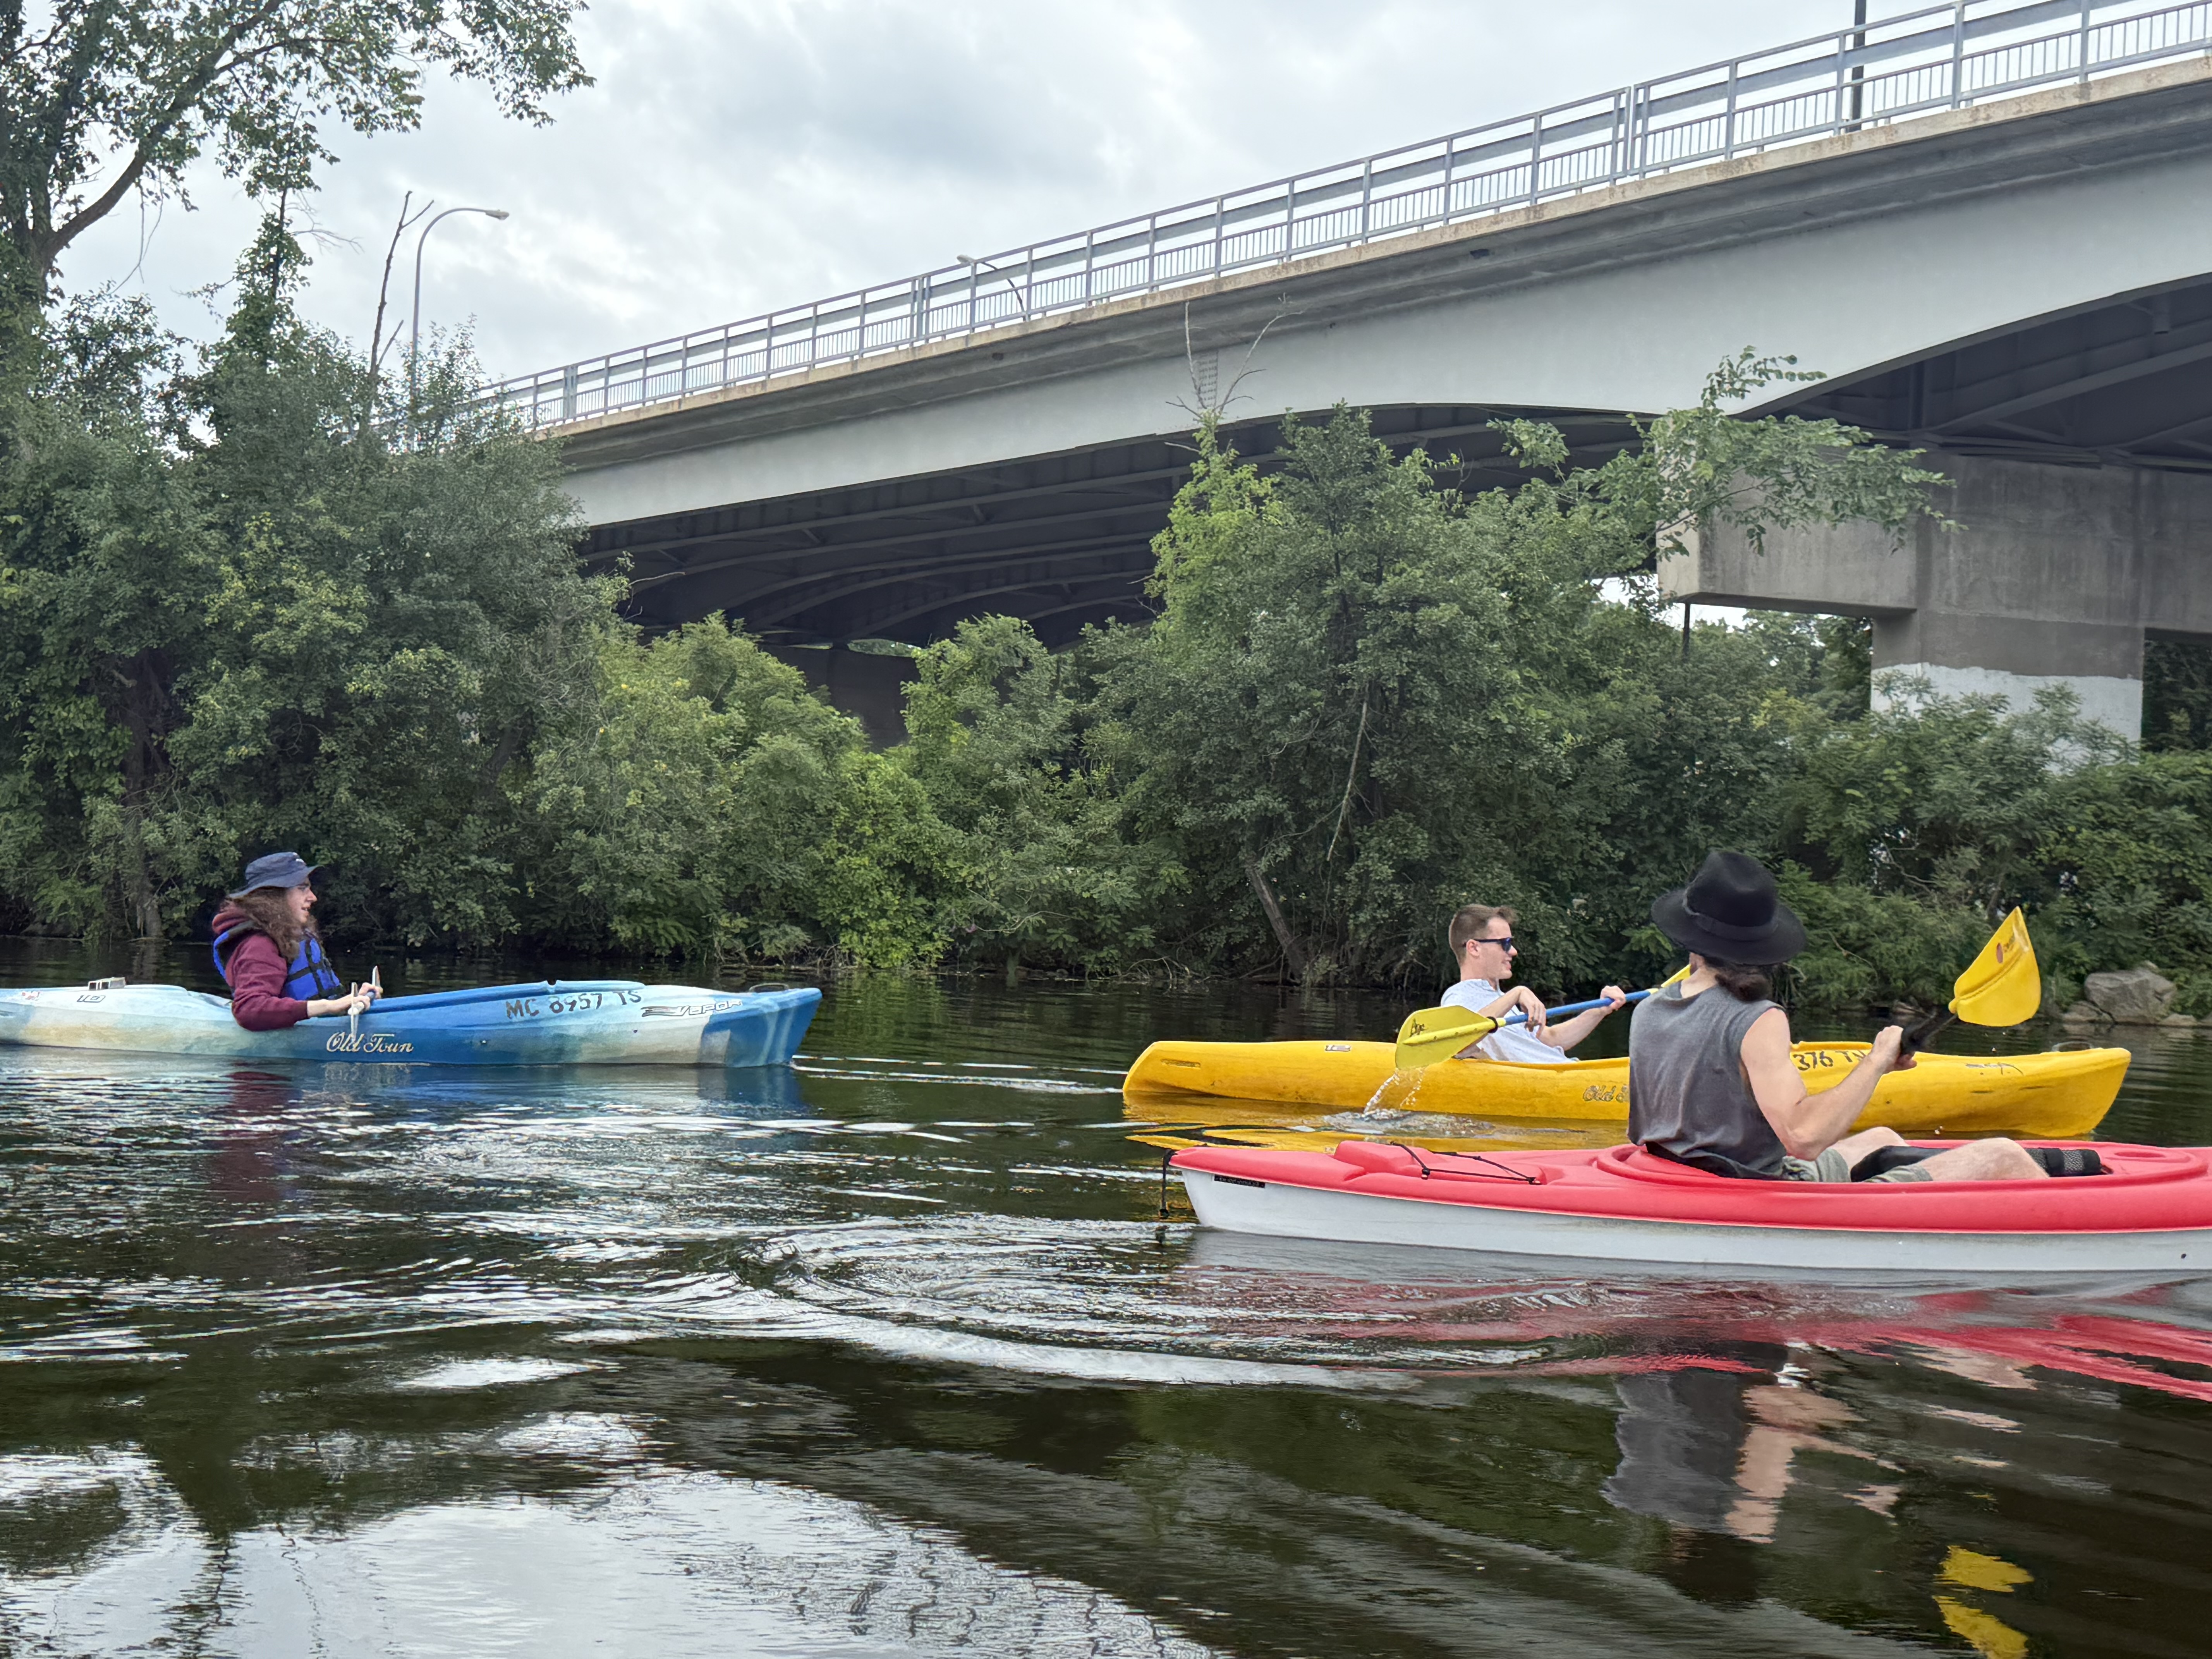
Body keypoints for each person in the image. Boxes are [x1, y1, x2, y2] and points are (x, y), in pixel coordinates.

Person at [1628, 850, 2046, 1184]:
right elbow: (1803, 1139)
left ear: (1690, 936)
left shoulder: (1648, 1010)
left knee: (1883, 1139)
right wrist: (1877, 1061)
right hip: (1758, 1193)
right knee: (2004, 1154)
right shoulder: (1757, 1018)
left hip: (1686, 1180)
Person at [1440, 903, 1629, 1063]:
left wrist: (1601, 1010)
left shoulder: (1497, 1001)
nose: (1513, 951)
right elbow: (1459, 1043)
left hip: (1569, 1074)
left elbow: (1551, 1038)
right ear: (1474, 948)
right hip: (1558, 1082)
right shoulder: (1461, 998)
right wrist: (1517, 993)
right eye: (1505, 943)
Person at [210, 852, 377, 1031]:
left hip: (318, 1026)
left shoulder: (287, 936)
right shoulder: (259, 944)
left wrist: (355, 999)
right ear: (274, 896)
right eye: (303, 888)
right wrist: (328, 1007)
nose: (313, 897)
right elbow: (249, 1010)